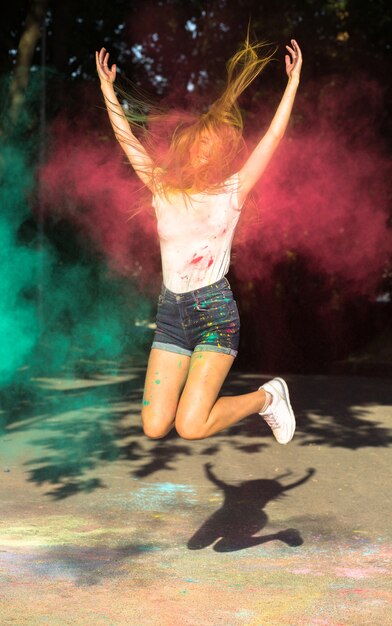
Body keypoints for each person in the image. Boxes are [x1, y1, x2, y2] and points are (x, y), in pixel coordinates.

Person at [95, 35, 302, 444]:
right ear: (189, 148)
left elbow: (272, 139)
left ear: (221, 153)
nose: (203, 149)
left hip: (214, 315)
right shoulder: (162, 189)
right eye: (199, 142)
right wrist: (107, 90)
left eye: (214, 144)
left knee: (191, 426)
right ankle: (262, 398)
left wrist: (292, 84)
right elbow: (127, 141)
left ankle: (267, 399)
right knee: (154, 427)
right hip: (172, 314)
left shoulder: (232, 191)